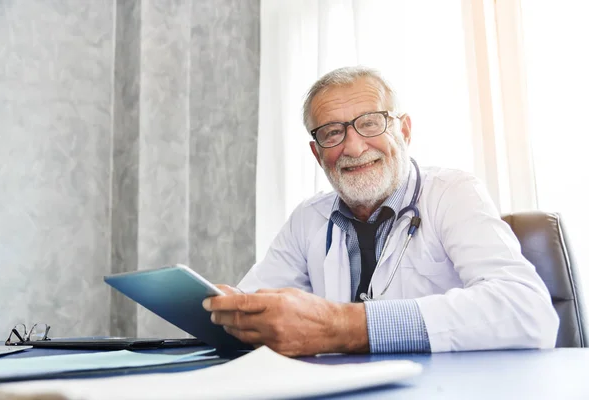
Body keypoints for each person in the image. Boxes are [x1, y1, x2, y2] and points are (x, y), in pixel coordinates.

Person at [202, 66, 559, 356]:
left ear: (403, 130)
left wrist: (343, 326)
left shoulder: (453, 194)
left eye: (370, 123)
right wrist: (228, 310)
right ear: (316, 152)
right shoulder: (307, 219)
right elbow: (252, 310)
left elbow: (527, 311)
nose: (353, 147)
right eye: (332, 133)